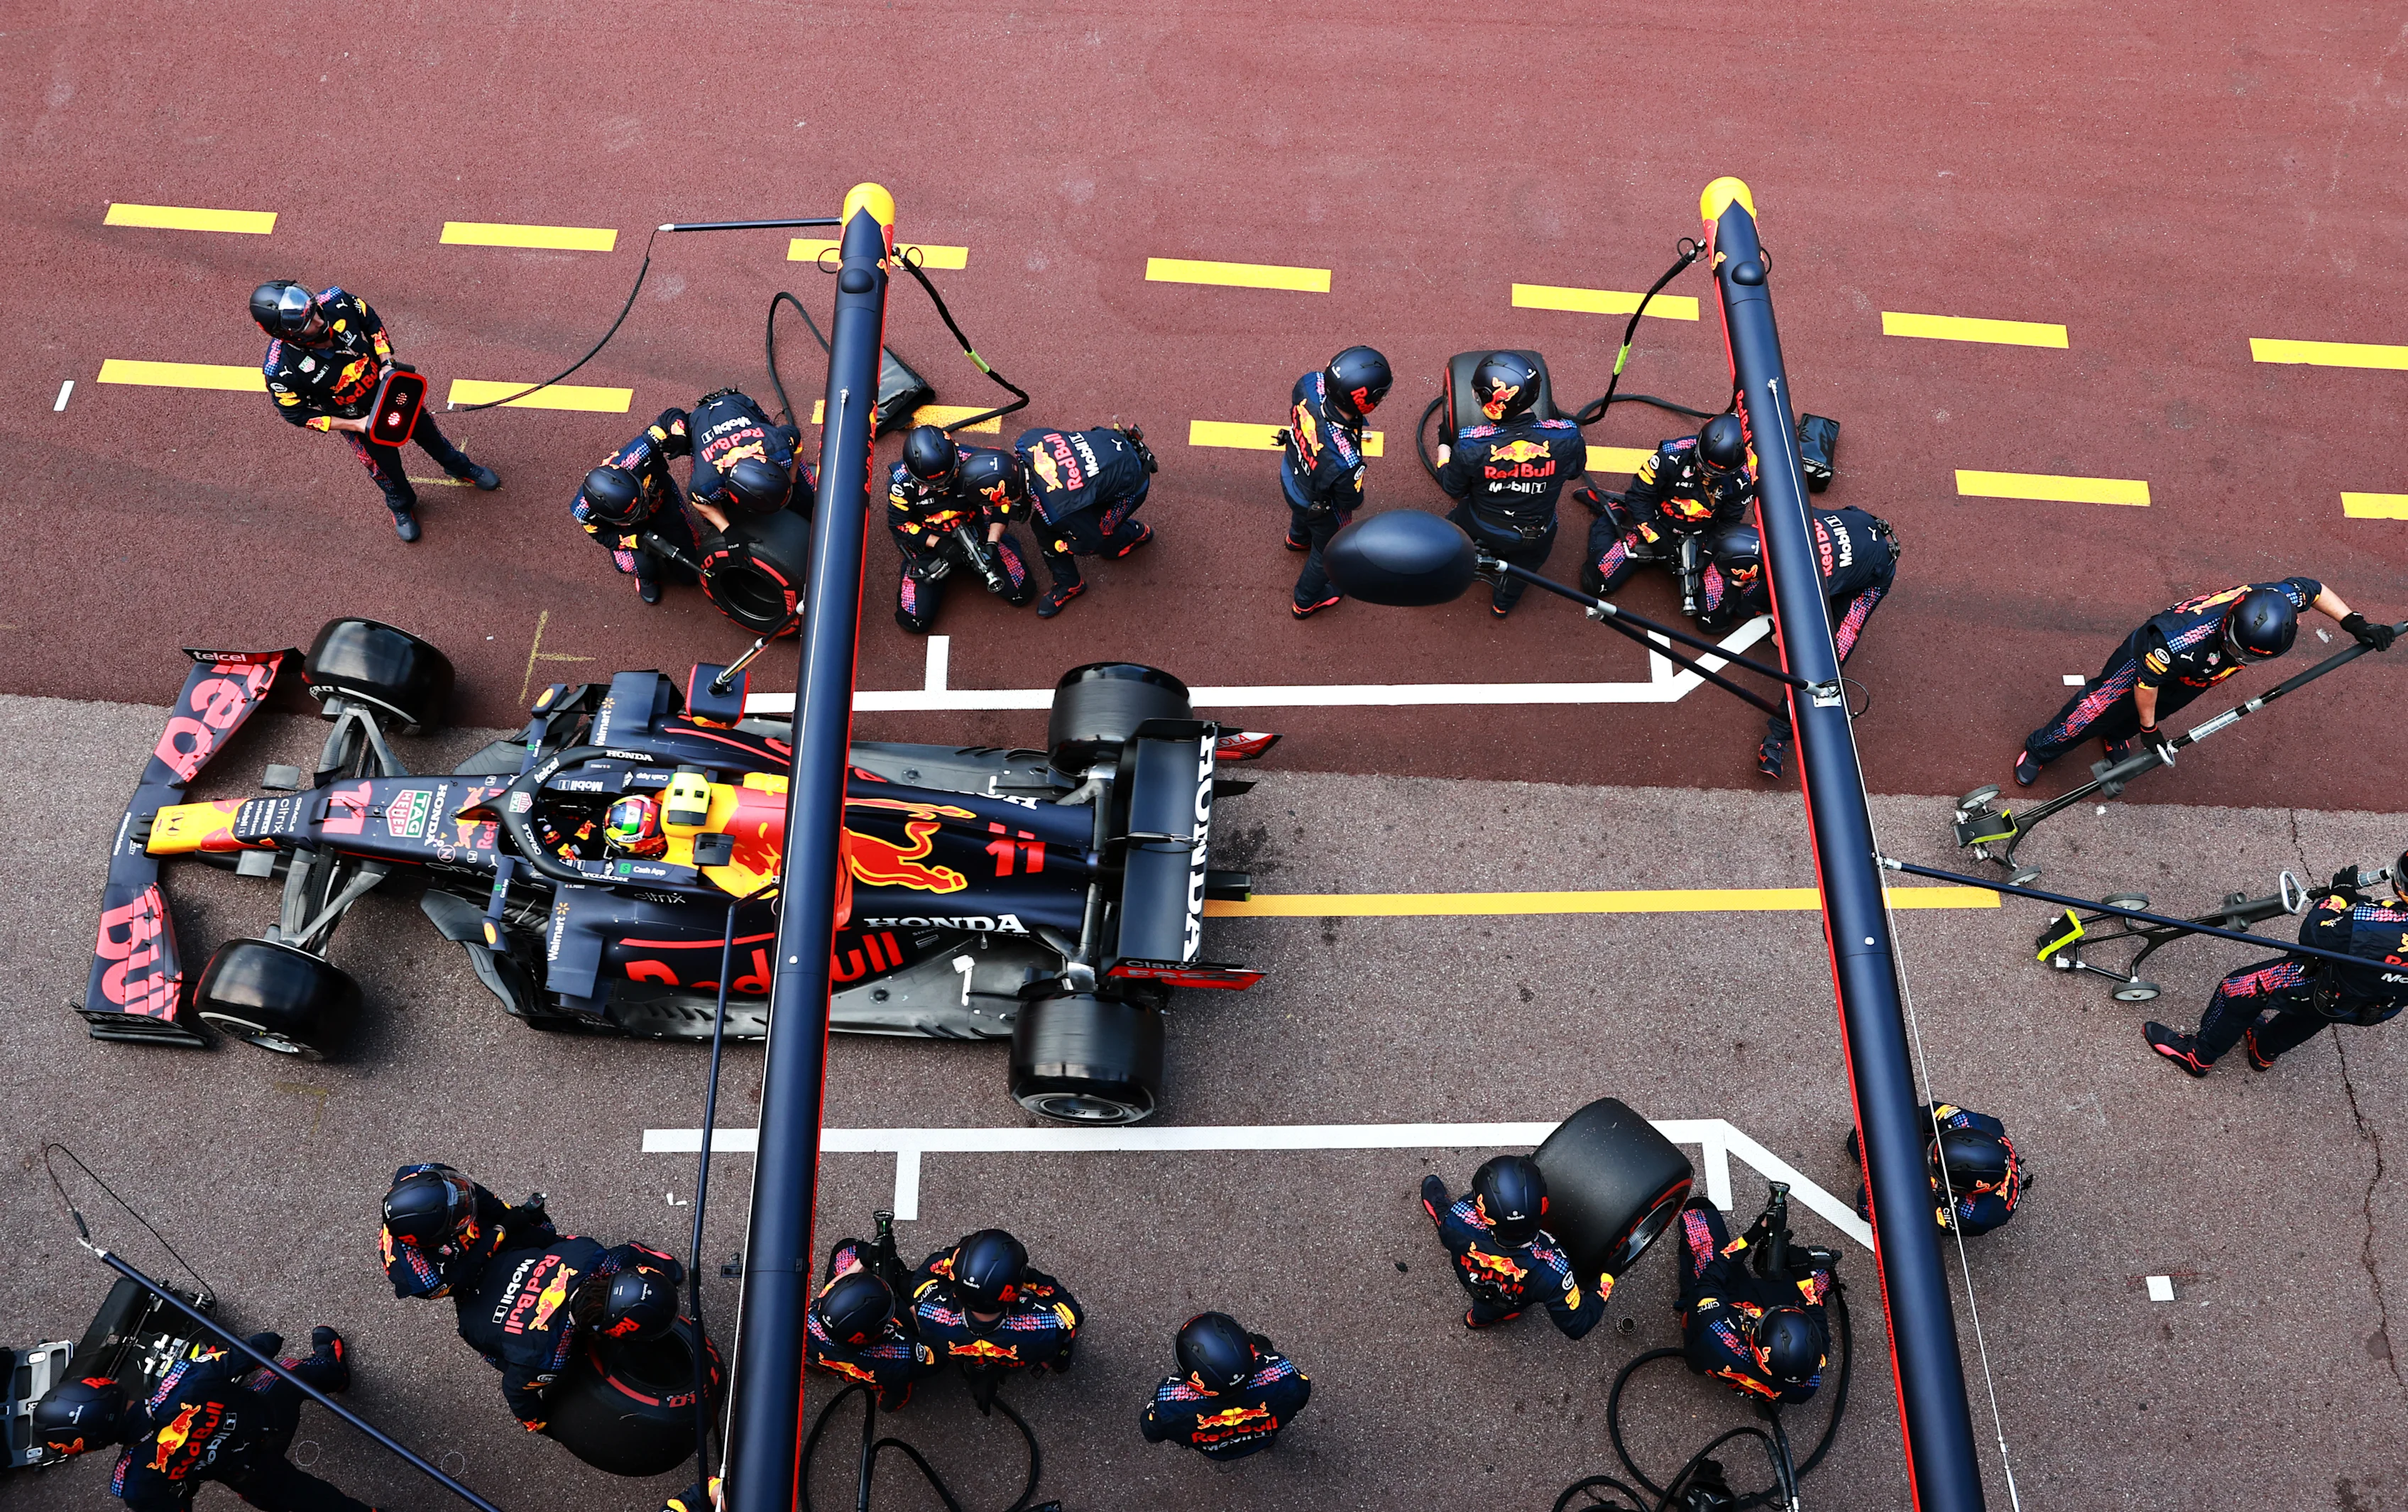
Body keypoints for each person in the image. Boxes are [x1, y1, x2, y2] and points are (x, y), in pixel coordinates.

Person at [2014, 577, 2392, 787]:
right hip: (2147, 664)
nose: (2243, 660)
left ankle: (2116, 735)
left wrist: (2354, 622)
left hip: (2199, 674)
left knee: (2165, 705)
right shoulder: (2178, 642)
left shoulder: (2278, 599)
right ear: (2229, 625)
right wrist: (2150, 730)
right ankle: (2041, 749)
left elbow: (2315, 589)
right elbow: (2146, 686)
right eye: (2240, 651)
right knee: (2096, 708)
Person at [253, 280, 500, 542]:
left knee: (432, 437)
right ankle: (401, 505)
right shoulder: (280, 371)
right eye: (308, 324)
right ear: (287, 334)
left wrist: (386, 362)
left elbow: (370, 320)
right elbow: (296, 414)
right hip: (360, 423)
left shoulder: (337, 300)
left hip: (394, 394)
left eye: (314, 311)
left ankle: (459, 467)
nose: (320, 321)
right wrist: (357, 425)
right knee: (386, 471)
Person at [34, 1326, 372, 1511]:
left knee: (314, 1504)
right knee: (286, 1371)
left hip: (249, 1475)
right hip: (269, 1417)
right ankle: (332, 1371)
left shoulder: (134, 1481)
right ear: (105, 1389)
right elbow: (266, 1345)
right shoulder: (183, 1381)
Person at [2146, 855, 2408, 1076]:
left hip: (2326, 985)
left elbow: (2316, 934)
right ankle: (2263, 1052)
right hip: (2377, 1007)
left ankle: (2199, 1055)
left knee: (2237, 989)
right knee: (2321, 1012)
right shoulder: (2378, 921)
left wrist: (2337, 898)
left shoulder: (2376, 921)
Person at [1699, 509, 1900, 778]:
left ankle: (1777, 738)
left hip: (1872, 571)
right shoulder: (1771, 516)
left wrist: (1781, 637)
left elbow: (1789, 640)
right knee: (1749, 605)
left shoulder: (1803, 587)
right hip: (1850, 534)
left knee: (1826, 659)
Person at [444, 1232, 682, 1431]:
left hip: (503, 1260)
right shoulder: (547, 1358)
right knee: (536, 1366)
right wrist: (539, 1423)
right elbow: (514, 1391)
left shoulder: (593, 1254)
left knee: (560, 1242)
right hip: (471, 1312)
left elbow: (627, 1253)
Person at [1435, 352, 1587, 618]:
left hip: (1480, 522)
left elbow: (1452, 487)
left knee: (1448, 532)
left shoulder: (1471, 444)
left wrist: (1444, 446)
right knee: (1523, 572)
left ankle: (1443, 568)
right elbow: (1575, 472)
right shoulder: (1569, 435)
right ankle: (1502, 605)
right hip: (1537, 532)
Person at [1674, 1188, 1834, 1406]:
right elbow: (1820, 1330)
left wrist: (1749, 1238)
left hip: (1718, 1326)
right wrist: (1803, 1277)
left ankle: (1694, 1354)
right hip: (1770, 1381)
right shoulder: (1809, 1382)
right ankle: (1767, 1400)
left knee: (1698, 1216)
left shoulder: (1717, 1332)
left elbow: (1709, 1280)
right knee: (1821, 1275)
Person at [1580, 414, 1757, 606]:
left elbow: (1729, 522)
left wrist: (1708, 553)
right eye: (1704, 466)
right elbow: (1638, 496)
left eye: (1716, 473)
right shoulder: (1671, 454)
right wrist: (1655, 538)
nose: (1708, 475)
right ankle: (1613, 512)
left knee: (1713, 615)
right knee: (1595, 582)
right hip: (1658, 525)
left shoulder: (1745, 479)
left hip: (1702, 537)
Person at [1418, 1156, 1604, 1337]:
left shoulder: (1459, 1218)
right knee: (1496, 1309)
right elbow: (1578, 1325)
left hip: (1474, 1281)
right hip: (1510, 1299)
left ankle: (1475, 1320)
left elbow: (1465, 1217)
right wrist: (1606, 1278)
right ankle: (1483, 1319)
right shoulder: (1554, 1270)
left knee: (1447, 1223)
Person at [885, 425, 1039, 632]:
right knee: (913, 621)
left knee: (1023, 593)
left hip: (974, 527)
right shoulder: (900, 483)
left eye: (948, 479)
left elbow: (1002, 500)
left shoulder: (975, 461)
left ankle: (1000, 547)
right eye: (934, 485)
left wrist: (993, 541)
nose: (942, 487)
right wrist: (938, 544)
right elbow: (898, 524)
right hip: (930, 539)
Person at [1281, 346, 1391, 620]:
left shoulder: (1309, 383)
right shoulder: (1346, 460)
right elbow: (1350, 500)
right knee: (1326, 550)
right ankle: (1305, 601)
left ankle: (1297, 538)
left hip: (1291, 472)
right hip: (1319, 505)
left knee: (1302, 508)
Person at [1011, 424, 1159, 618]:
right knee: (1051, 521)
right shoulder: (1027, 439)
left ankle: (1129, 536)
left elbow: (1090, 541)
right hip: (1116, 448)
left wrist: (1066, 546)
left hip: (1131, 486)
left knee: (1075, 533)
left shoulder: (1057, 507)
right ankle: (1072, 579)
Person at [909, 1228, 1082, 1381]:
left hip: (966, 1354)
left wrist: (956, 1258)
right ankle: (1061, 1365)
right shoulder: (1044, 1325)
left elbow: (923, 1277)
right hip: (1017, 1358)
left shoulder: (928, 1312)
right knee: (1066, 1336)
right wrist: (1032, 1279)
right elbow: (1073, 1313)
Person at [1140, 1311, 1312, 1462]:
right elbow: (1302, 1393)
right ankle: (1269, 1442)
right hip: (1262, 1437)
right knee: (1262, 1342)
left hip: (1216, 1450)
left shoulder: (1168, 1402)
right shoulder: (1283, 1374)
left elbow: (1152, 1431)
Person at [572, 408, 700, 606]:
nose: (641, 513)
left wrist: (680, 435)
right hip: (632, 532)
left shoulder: (640, 453)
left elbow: (670, 416)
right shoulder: (583, 512)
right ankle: (646, 577)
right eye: (632, 514)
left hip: (662, 503)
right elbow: (604, 536)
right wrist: (637, 541)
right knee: (642, 565)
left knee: (690, 575)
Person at [378, 1162, 557, 1301]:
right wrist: (501, 1230)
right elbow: (467, 1271)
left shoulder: (426, 1173)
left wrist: (510, 1216)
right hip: (453, 1268)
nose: (465, 1197)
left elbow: (473, 1191)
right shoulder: (424, 1279)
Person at [1846, 1104, 2027, 1237]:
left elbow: (1913, 1222)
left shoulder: (1972, 1215)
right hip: (1947, 1159)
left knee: (1867, 1204)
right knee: (1862, 1139)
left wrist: (1894, 1177)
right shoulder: (1967, 1122)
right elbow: (1914, 1114)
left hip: (1953, 1205)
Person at [808, 1238, 936, 1409]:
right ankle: (894, 1399)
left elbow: (826, 1293)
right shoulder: (902, 1354)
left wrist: (863, 1262)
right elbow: (936, 1356)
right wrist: (914, 1306)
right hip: (882, 1372)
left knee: (846, 1250)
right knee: (899, 1385)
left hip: (821, 1351)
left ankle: (811, 1362)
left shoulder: (801, 1324)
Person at [685, 387, 813, 531]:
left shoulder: (777, 446)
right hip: (699, 419)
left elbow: (795, 435)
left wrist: (792, 476)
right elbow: (698, 502)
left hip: (736, 403)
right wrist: (726, 529)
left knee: (805, 495)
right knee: (716, 512)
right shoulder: (707, 482)